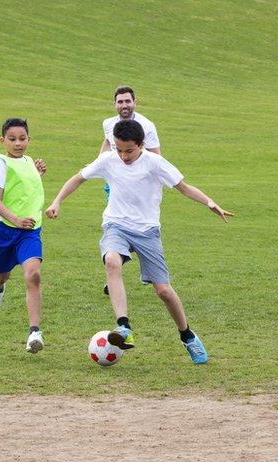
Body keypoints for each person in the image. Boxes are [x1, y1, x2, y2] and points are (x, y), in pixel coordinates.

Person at [45, 119, 233, 364]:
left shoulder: (154, 163)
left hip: (147, 230)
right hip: (116, 224)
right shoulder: (109, 159)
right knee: (112, 262)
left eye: (129, 151)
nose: (123, 156)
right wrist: (57, 201)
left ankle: (187, 335)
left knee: (164, 291)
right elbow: (77, 178)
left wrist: (210, 202)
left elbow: (184, 187)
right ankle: (123, 326)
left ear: (142, 145)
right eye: (119, 150)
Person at [0, 118, 48, 353]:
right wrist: (16, 220)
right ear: (3, 141)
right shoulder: (0, 164)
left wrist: (37, 174)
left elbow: (25, 190)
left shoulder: (29, 161)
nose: (18, 143)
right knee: (1, 275)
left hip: (29, 232)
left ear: (29, 139)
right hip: (1, 231)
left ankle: (34, 332)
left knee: (33, 275)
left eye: (22, 138)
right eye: (12, 139)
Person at [100, 86, 162, 295]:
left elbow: (156, 156)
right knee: (119, 222)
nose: (124, 105)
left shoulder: (147, 126)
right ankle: (114, 269)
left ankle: (145, 265)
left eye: (128, 101)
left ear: (135, 102)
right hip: (117, 181)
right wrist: (99, 165)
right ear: (114, 104)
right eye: (120, 102)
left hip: (141, 186)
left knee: (137, 224)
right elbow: (108, 145)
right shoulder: (108, 124)